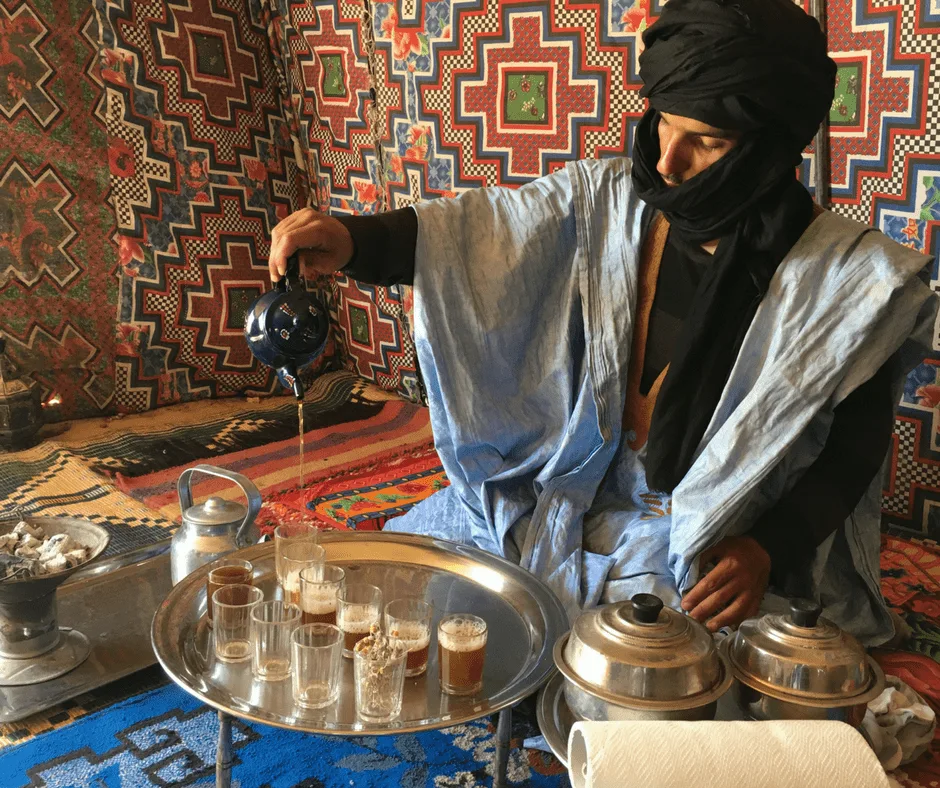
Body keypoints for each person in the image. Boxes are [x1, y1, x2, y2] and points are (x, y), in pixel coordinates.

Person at [266, 0, 936, 642]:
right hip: (563, 485)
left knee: (655, 674)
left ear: (772, 149)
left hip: (698, 527)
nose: (667, 164)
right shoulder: (611, 200)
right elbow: (484, 236)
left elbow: (855, 447)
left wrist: (767, 549)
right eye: (663, 124)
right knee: (392, 583)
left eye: (704, 141)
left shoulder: (851, 282)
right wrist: (352, 241)